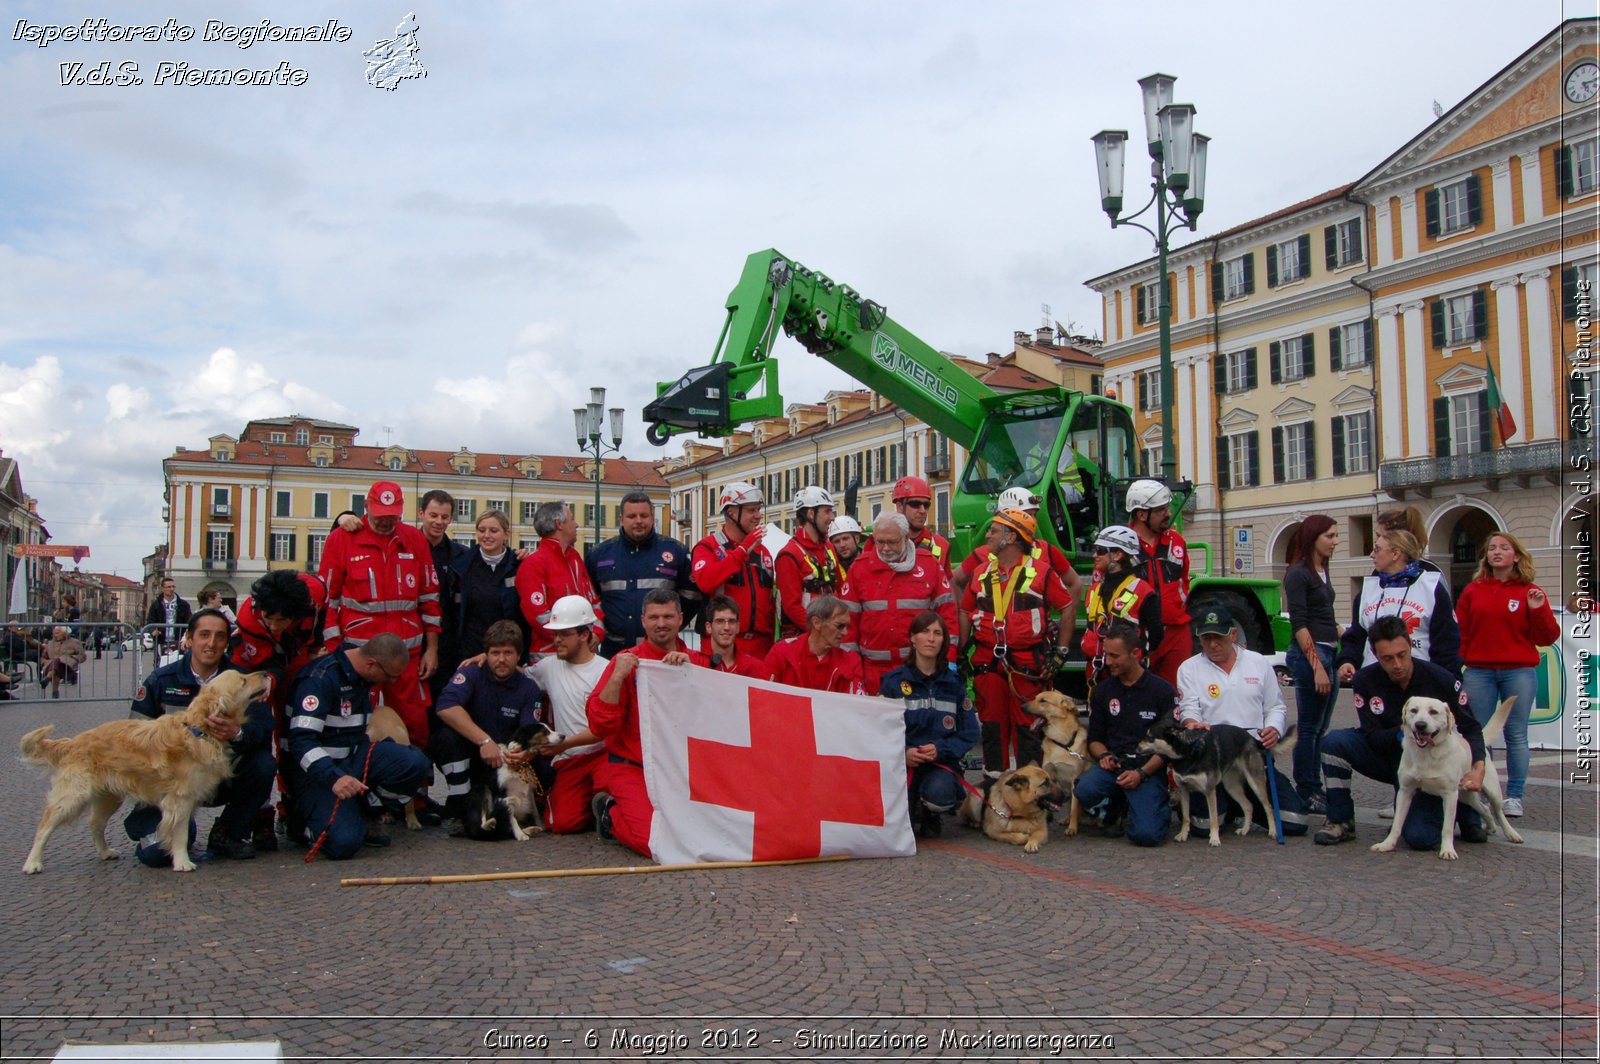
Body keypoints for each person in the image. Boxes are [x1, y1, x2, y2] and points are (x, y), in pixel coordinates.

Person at [1315, 615, 1488, 848]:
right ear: (1375, 656)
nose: (1397, 664)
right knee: (1333, 743)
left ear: (1410, 646)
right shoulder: (1365, 680)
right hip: (1390, 754)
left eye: (1402, 655)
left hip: (1432, 763)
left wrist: (1478, 766)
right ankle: (1340, 819)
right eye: (1387, 658)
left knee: (1421, 839)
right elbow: (1372, 736)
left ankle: (1466, 812)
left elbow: (1471, 728)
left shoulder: (1441, 679)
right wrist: (1408, 731)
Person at [123, 609, 275, 864]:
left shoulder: (243, 680)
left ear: (227, 642)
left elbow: (262, 731)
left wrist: (236, 733)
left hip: (221, 777)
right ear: (189, 638)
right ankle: (153, 826)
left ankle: (229, 832)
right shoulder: (162, 679)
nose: (211, 643)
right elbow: (134, 736)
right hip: (169, 785)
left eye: (219, 636)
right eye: (204, 635)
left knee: (264, 764)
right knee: (157, 856)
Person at [285, 632, 435, 859]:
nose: (391, 683)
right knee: (343, 845)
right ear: (371, 663)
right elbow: (301, 743)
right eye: (389, 676)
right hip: (318, 772)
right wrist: (334, 777)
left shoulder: (360, 675)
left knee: (415, 763)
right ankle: (303, 822)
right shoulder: (319, 680)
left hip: (355, 758)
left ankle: (367, 810)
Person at [319, 481, 442, 748]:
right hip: (362, 658)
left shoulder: (415, 540)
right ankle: (359, 783)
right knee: (356, 725)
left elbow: (430, 600)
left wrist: (431, 649)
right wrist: (335, 651)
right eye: (380, 515)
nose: (386, 522)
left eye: (392, 516)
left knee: (416, 726)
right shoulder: (341, 539)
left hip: (407, 656)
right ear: (366, 507)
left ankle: (415, 786)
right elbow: (327, 600)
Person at [587, 588, 708, 856]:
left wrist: (693, 674)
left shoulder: (697, 662)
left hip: (680, 768)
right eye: (654, 617)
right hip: (633, 766)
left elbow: (716, 715)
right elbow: (598, 725)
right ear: (643, 621)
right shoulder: (626, 661)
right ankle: (610, 812)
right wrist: (617, 678)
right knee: (653, 843)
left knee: (703, 834)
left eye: (667, 616)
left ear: (680, 619)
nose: (661, 624)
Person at [958, 509, 1074, 775]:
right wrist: (961, 652)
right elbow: (964, 610)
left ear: (1011, 537)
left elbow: (1067, 607)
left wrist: (1061, 652)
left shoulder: (1042, 572)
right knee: (991, 727)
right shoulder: (980, 572)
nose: (987, 534)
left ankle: (1030, 792)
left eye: (994, 530)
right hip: (988, 663)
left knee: (1028, 731)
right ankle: (994, 793)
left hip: (1027, 665)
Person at [1174, 606, 1308, 836]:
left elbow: (1275, 706)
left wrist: (1274, 728)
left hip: (1251, 751)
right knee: (1203, 827)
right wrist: (1191, 724)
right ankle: (1228, 805)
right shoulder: (1189, 668)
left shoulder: (1258, 662)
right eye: (1206, 638)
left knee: (1295, 822)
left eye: (1219, 637)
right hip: (1212, 757)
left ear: (1233, 635)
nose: (1213, 644)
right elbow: (1189, 710)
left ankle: (1241, 804)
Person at [1455, 531, 1559, 818]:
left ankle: (1514, 795)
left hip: (1519, 671)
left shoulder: (1530, 591)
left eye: (1503, 548)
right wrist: (1457, 664)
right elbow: (1461, 632)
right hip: (1479, 672)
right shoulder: (1473, 590)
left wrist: (1537, 610)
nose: (1496, 552)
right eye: (1491, 549)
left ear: (1516, 555)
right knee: (1478, 735)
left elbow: (1548, 636)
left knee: (1516, 734)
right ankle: (1484, 790)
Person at [228, 569, 324, 849]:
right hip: (253, 671)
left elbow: (321, 621)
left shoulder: (315, 593)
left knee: (294, 734)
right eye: (268, 618)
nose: (273, 625)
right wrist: (270, 679)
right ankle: (260, 816)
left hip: (296, 660)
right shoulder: (250, 619)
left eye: (281, 620)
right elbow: (269, 667)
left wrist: (318, 647)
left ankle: (292, 806)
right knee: (259, 736)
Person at [429, 620, 546, 827]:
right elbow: (445, 707)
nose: (501, 659)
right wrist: (484, 741)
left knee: (546, 769)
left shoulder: (529, 688)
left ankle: (527, 808)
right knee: (444, 738)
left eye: (508, 653)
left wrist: (526, 753)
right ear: (486, 654)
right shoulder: (472, 672)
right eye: (495, 653)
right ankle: (460, 806)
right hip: (474, 753)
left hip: (506, 760)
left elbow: (529, 732)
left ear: (519, 655)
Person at [1073, 620, 1175, 846]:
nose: (1108, 662)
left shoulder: (1162, 691)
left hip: (1147, 768)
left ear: (1135, 653)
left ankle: (1157, 809)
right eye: (1107, 655)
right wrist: (1103, 756)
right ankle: (1118, 804)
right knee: (1084, 790)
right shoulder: (1103, 691)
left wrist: (1141, 774)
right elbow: (1096, 739)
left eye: (1115, 656)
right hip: (1115, 766)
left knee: (1146, 836)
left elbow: (1169, 748)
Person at [879, 611, 977, 839]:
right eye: (924, 632)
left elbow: (969, 733)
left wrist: (940, 750)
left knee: (939, 794)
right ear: (913, 638)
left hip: (940, 764)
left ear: (944, 640)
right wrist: (904, 753)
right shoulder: (893, 682)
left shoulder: (954, 683)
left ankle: (932, 812)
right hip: (903, 765)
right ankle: (912, 809)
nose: (931, 639)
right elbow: (880, 731)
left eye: (937, 633)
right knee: (900, 824)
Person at [838, 513, 955, 695]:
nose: (884, 548)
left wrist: (949, 659)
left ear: (906, 537)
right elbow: (846, 625)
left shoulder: (929, 565)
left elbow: (948, 616)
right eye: (879, 541)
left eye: (891, 542)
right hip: (873, 673)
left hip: (920, 669)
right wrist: (852, 669)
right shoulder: (860, 568)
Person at [525, 596, 611, 834]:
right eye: (555, 634)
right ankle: (593, 807)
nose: (557, 640)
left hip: (602, 754)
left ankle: (603, 802)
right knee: (562, 824)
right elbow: (517, 675)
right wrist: (484, 659)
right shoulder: (548, 667)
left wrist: (563, 745)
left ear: (584, 635)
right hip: (568, 760)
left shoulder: (606, 670)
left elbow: (605, 729)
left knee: (614, 788)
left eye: (564, 634)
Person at [1335, 527, 1463, 681]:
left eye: (1377, 549)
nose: (1371, 554)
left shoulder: (1430, 587)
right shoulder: (1368, 590)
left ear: (1396, 554)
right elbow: (1356, 636)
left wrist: (1445, 680)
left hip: (1421, 678)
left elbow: (1446, 642)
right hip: (1375, 680)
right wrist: (1348, 661)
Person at [587, 490, 700, 658]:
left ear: (652, 517)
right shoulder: (600, 554)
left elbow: (692, 596)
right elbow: (590, 598)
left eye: (644, 515)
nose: (639, 521)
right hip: (614, 651)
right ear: (621, 519)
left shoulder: (675, 551)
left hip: (662, 651)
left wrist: (668, 626)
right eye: (632, 516)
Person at [1283, 515, 1342, 814]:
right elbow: (1300, 623)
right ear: (1313, 537)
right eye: (1329, 536)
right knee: (1309, 727)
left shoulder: (1322, 570)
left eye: (1335, 536)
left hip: (1328, 649)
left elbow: (1324, 615)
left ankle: (1313, 786)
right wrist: (1317, 664)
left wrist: (1341, 633)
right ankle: (1306, 788)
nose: (1335, 541)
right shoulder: (1298, 573)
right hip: (1311, 654)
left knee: (1320, 727)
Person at [954, 487, 1084, 605]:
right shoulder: (982, 553)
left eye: (1034, 515)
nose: (1033, 520)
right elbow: (953, 580)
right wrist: (963, 615)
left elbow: (1076, 584)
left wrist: (1066, 619)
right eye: (1027, 515)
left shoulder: (1047, 550)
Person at [690, 481, 777, 658]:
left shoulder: (763, 552)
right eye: (751, 510)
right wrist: (742, 551)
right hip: (721, 644)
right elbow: (706, 582)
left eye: (758, 510)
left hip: (761, 646)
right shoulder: (708, 547)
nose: (758, 516)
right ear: (731, 513)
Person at [1125, 479, 1192, 687]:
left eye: (1167, 508)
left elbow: (1184, 579)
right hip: (1137, 633)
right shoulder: (1121, 545)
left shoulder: (1177, 541)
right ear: (1141, 514)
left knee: (1177, 696)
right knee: (1138, 695)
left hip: (1176, 632)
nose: (1169, 514)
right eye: (1161, 510)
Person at [517, 501, 605, 656]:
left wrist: (597, 633)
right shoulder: (534, 564)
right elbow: (538, 615)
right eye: (572, 519)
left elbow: (593, 603)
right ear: (559, 524)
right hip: (551, 656)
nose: (577, 525)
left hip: (585, 652)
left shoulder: (575, 559)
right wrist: (574, 641)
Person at [1079, 525, 1161, 691]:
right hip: (1096, 674)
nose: (1095, 555)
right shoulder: (1094, 591)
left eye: (1101, 550)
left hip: (1129, 676)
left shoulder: (1143, 591)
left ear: (1117, 554)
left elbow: (1156, 635)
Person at [448, 509, 525, 665]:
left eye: (493, 530)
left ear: (506, 534)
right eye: (482, 530)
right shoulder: (462, 566)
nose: (486, 535)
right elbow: (454, 613)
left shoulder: (519, 565)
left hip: (507, 652)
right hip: (470, 651)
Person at [775, 486, 845, 639]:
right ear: (810, 514)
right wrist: (822, 631)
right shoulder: (789, 554)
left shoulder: (829, 548)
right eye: (827, 511)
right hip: (803, 638)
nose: (832, 517)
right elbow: (792, 607)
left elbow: (840, 589)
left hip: (830, 635)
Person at [766, 595, 866, 694]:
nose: (845, 632)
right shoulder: (781, 653)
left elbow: (857, 705)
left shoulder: (851, 660)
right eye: (839, 626)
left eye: (847, 626)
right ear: (816, 622)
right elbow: (764, 696)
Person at [890, 476, 951, 575]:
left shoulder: (941, 545)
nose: (923, 511)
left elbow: (948, 585)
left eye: (926, 505)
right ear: (900, 506)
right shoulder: (879, 542)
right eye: (915, 504)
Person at [703, 595, 770, 678]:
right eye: (720, 621)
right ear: (708, 627)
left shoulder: (756, 668)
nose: (726, 627)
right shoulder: (695, 663)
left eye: (732, 621)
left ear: (738, 627)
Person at [145, 577, 191, 659]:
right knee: (159, 664)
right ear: (162, 589)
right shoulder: (156, 605)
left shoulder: (183, 605)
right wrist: (153, 631)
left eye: (173, 587)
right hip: (161, 641)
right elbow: (150, 620)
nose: (172, 589)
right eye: (169, 587)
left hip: (179, 640)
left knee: (179, 664)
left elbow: (189, 621)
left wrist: (186, 637)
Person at [40, 625, 86, 699]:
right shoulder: (50, 643)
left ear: (65, 634)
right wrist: (44, 662)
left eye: (58, 633)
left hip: (67, 667)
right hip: (51, 666)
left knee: (57, 662)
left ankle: (49, 681)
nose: (55, 635)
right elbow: (43, 656)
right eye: (54, 633)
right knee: (55, 665)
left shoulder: (74, 642)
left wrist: (72, 659)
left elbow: (82, 656)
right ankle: (52, 688)